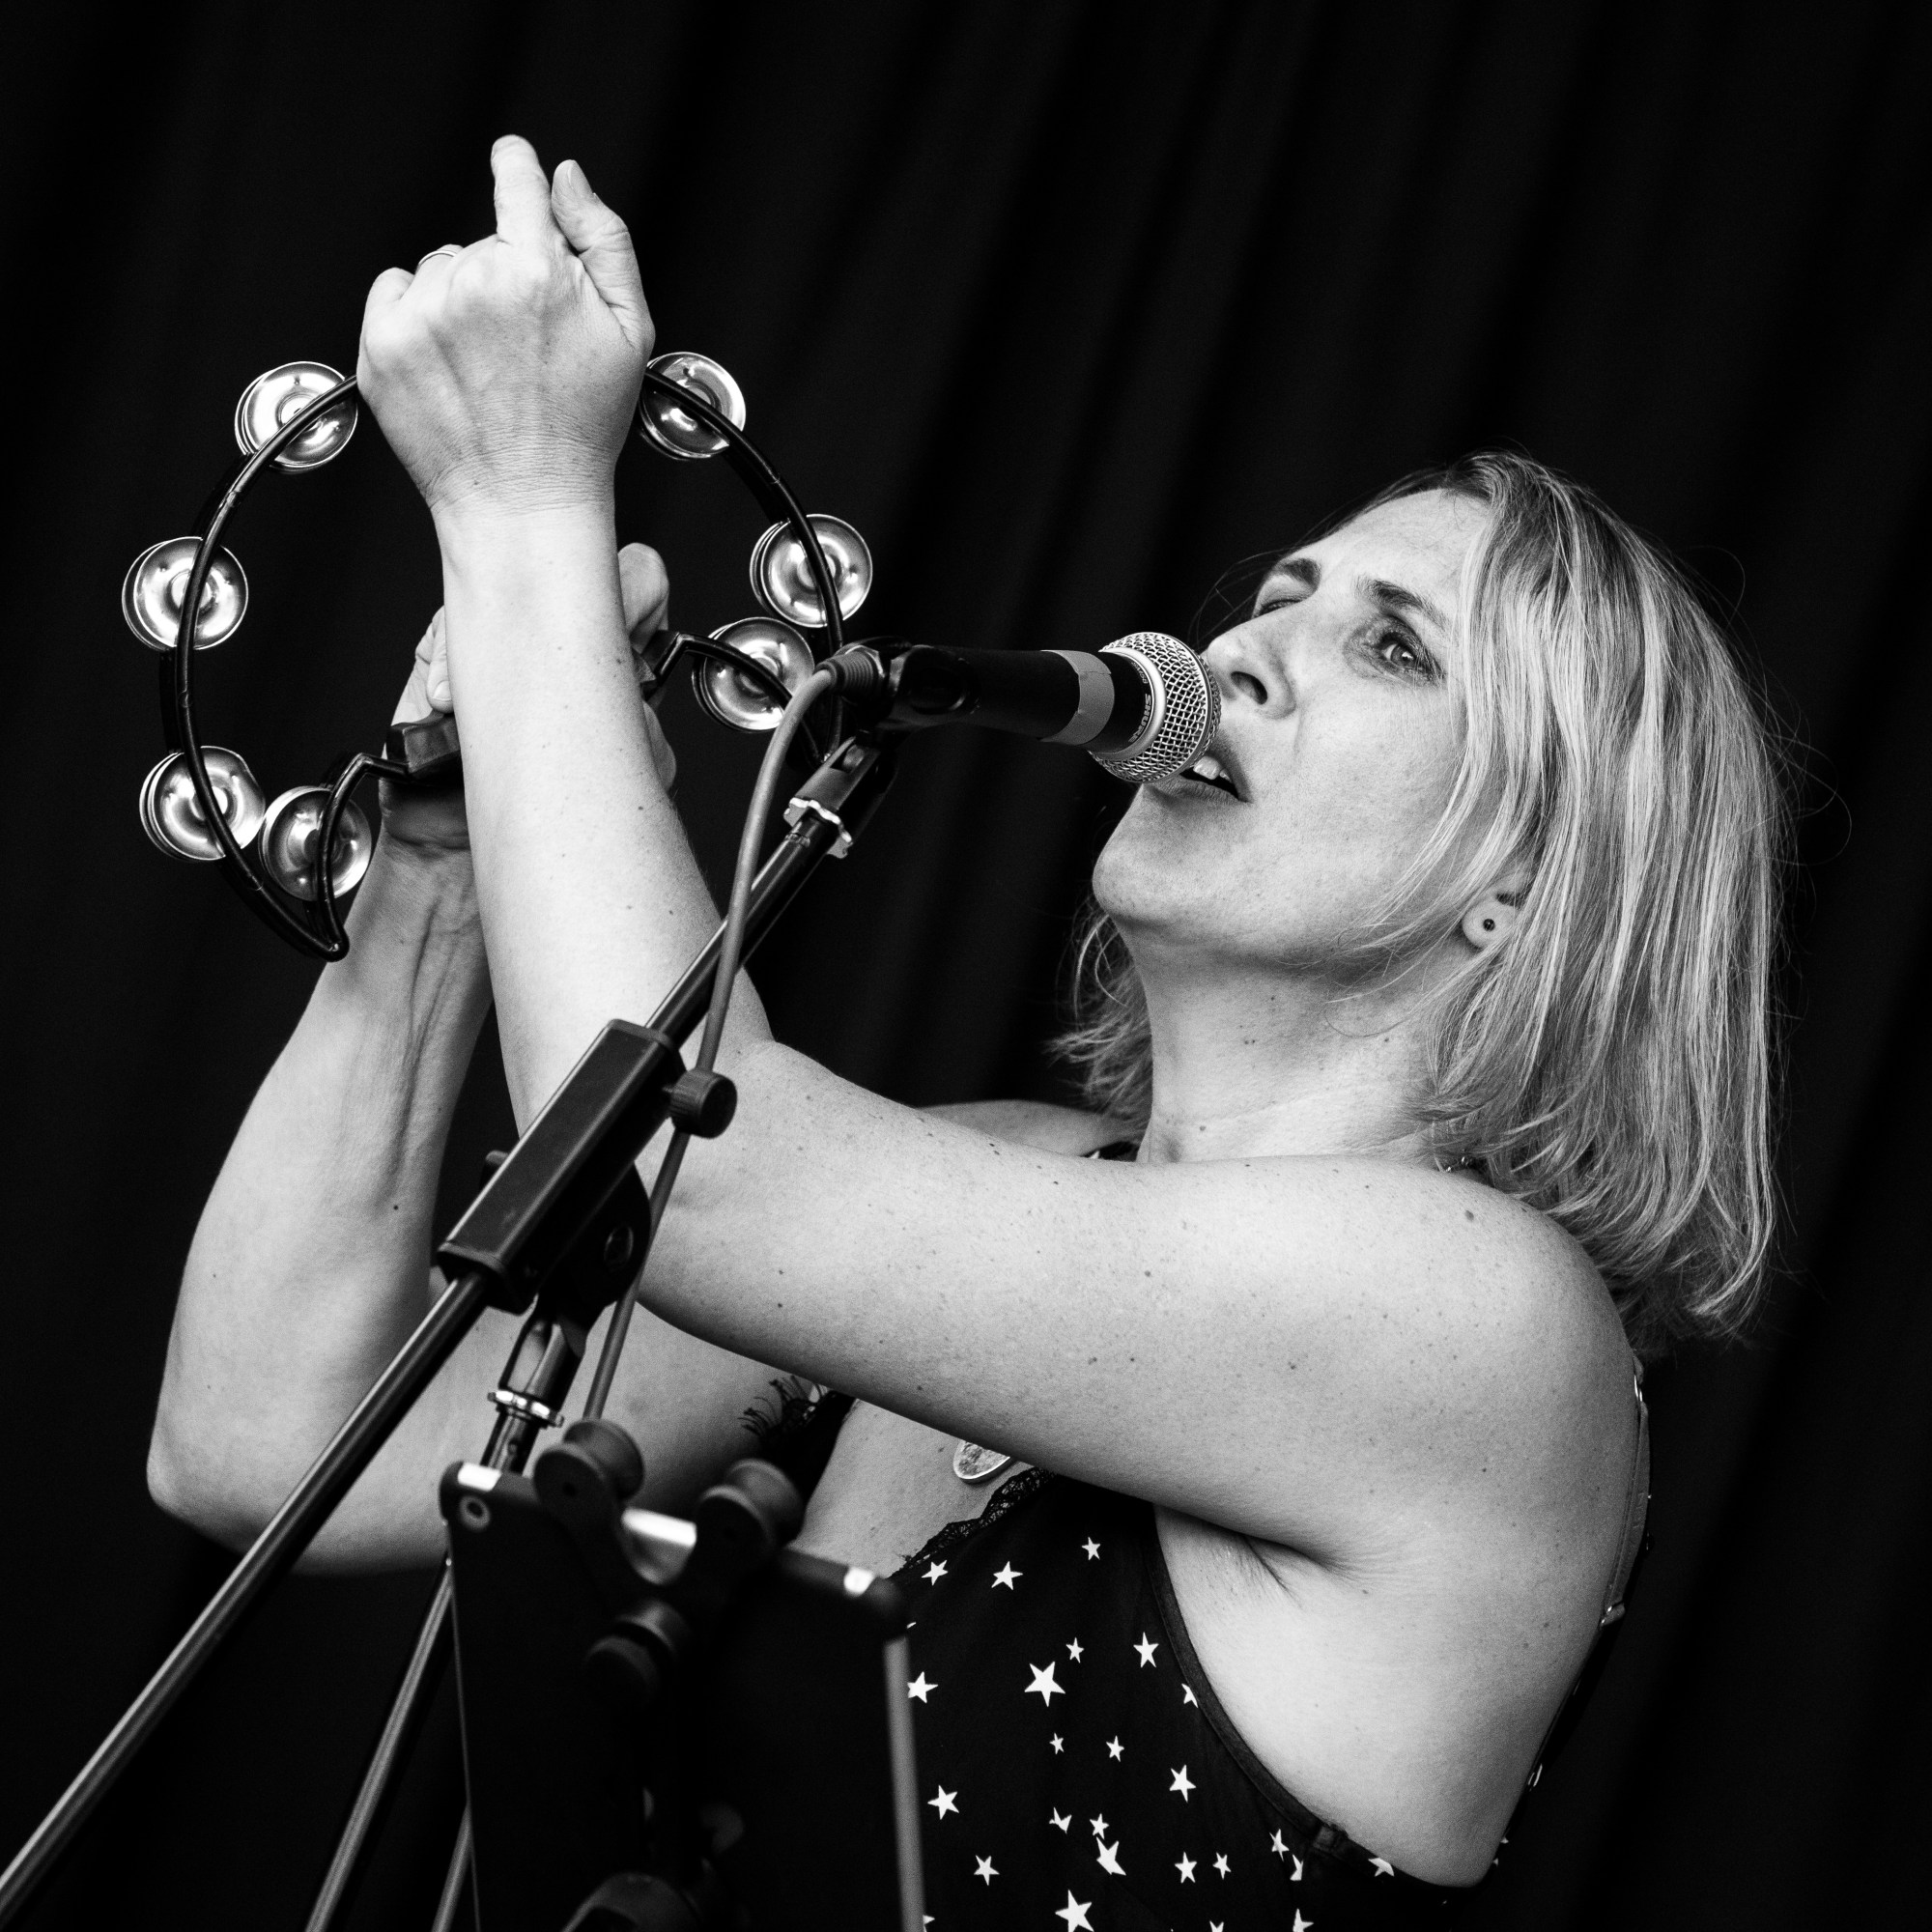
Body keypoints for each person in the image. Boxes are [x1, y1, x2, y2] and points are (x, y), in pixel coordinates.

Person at [146, 136, 1783, 1926]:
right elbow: (269, 1439)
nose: (1241, 649)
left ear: (1526, 891)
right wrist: (436, 866)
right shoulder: (1000, 1169)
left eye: (1394, 649)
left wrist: (526, 501)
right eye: (1282, 598)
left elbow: (705, 1174)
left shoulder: (1487, 1326)